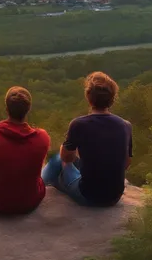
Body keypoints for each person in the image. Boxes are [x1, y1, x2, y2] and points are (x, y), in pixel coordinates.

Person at [42, 72, 132, 207]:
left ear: (89, 98)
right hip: (115, 196)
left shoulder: (79, 124)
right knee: (77, 162)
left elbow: (66, 158)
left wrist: (65, 150)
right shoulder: (125, 125)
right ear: (112, 98)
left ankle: (37, 185)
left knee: (57, 160)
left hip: (88, 196)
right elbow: (125, 164)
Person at [0, 86, 50, 214]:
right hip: (31, 201)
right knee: (55, 161)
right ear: (28, 109)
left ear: (7, 109)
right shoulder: (42, 138)